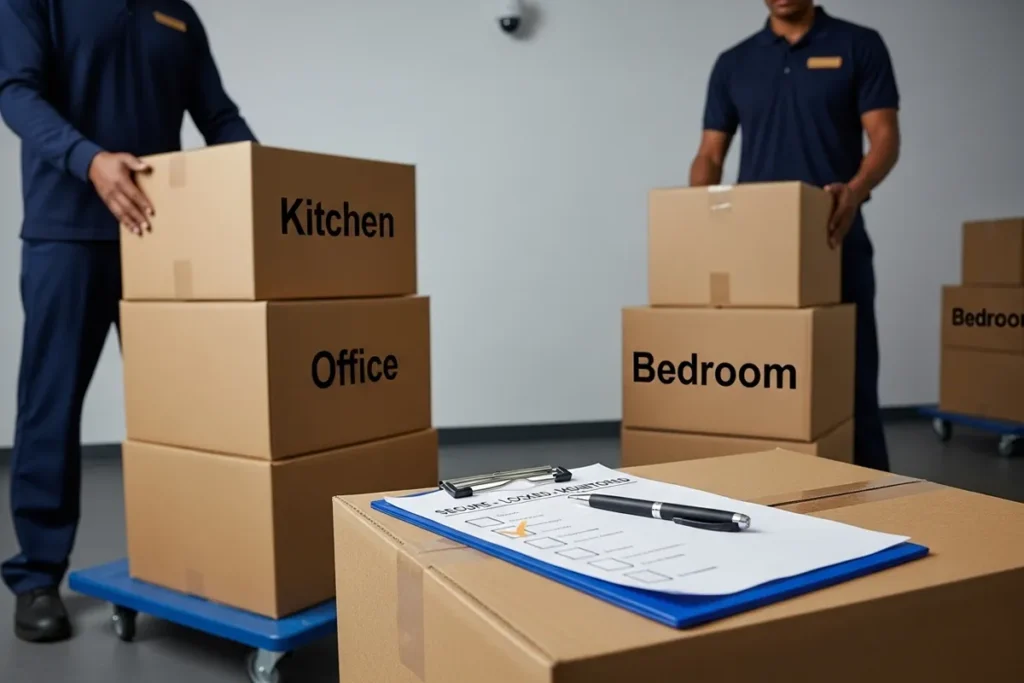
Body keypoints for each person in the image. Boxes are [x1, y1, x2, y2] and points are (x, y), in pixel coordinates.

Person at [0, 0, 256, 642]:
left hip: (161, 241)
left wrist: (266, 183)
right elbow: (16, 93)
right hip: (67, 236)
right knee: (51, 406)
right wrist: (87, 159)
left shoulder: (175, 13)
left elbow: (218, 116)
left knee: (182, 414)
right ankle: (36, 576)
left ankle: (192, 560)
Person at [690, 1, 900, 473]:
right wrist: (700, 218)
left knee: (850, 377)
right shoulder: (734, 62)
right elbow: (709, 154)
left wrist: (855, 190)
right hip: (754, 248)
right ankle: (766, 486)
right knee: (758, 377)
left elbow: (885, 136)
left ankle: (872, 495)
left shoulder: (857, 45)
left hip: (834, 237)